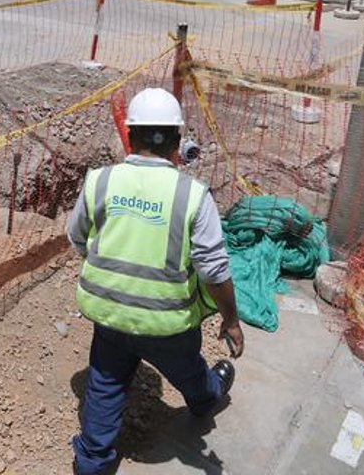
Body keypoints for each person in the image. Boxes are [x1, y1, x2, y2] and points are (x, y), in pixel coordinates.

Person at [68, 88, 243, 475]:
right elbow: (214, 270)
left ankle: (91, 463)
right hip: (167, 324)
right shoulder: (192, 195)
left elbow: (77, 237)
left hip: (110, 316)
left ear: (130, 136)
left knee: (104, 385)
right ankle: (206, 398)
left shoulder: (100, 181)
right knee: (191, 374)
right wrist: (231, 321)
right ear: (178, 141)